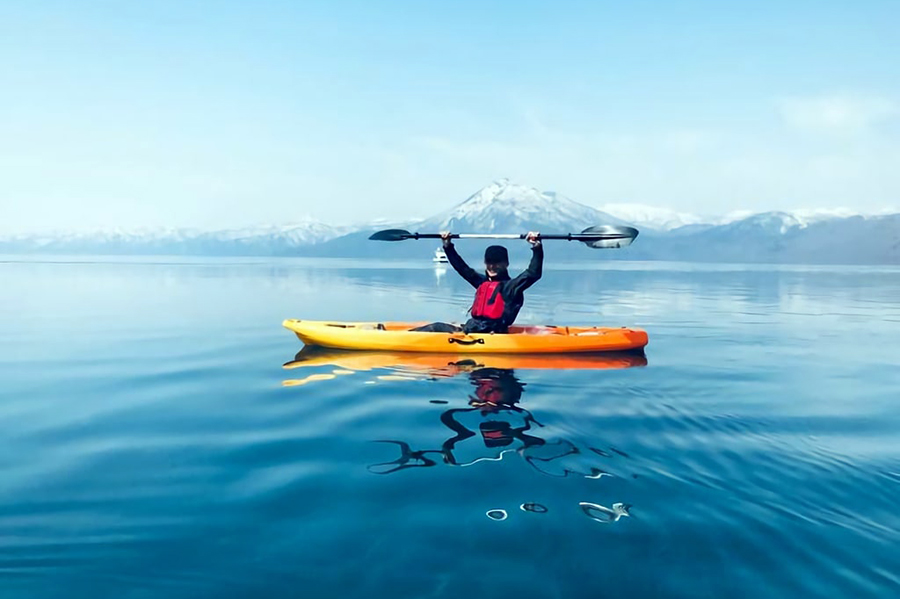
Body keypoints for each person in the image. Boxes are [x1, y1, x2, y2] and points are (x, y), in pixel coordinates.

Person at [412, 231, 543, 334]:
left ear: (506, 264)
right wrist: (447, 245)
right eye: (489, 262)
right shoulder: (482, 282)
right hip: (473, 329)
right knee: (436, 326)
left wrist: (536, 246)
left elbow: (533, 273)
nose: (492, 266)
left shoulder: (511, 287)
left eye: (497, 263)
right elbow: (462, 268)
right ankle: (399, 337)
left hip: (494, 334)